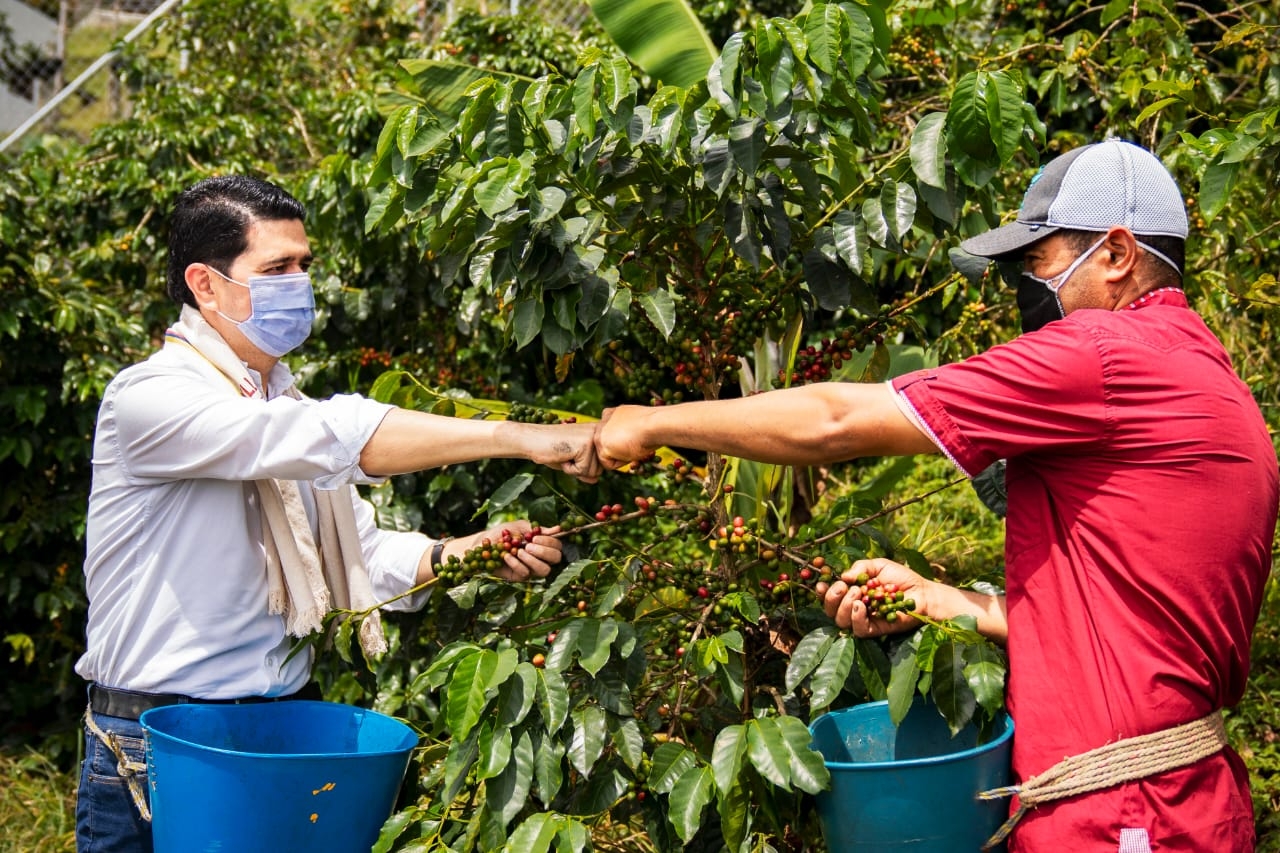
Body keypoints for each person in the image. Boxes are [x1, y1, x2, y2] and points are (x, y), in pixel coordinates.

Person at [595, 139, 1278, 852]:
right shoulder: (1203, 368)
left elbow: (836, 423)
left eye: (1036, 261)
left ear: (1115, 253)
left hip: (1124, 821)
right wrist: (945, 601)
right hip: (1182, 800)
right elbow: (1142, 632)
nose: (1025, 284)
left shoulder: (1104, 354)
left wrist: (653, 422)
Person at [74, 175, 602, 853]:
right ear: (205, 285)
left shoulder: (281, 406)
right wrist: (519, 436)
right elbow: (328, 439)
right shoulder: (150, 400)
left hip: (275, 736)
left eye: (303, 265)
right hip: (154, 744)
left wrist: (463, 552)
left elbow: (361, 554)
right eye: (275, 269)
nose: (298, 283)